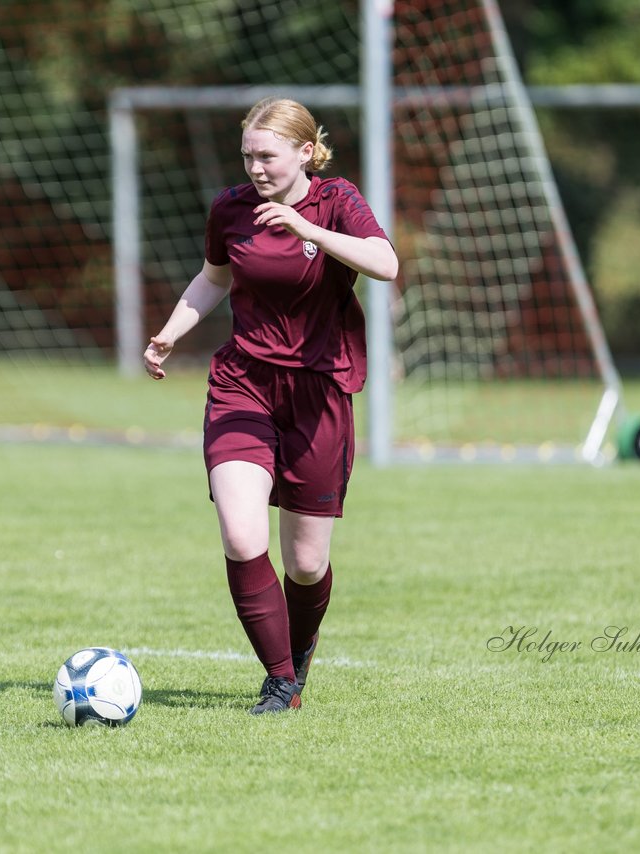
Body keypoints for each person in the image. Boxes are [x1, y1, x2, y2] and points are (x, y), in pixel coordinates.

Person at [144, 97, 398, 714]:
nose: (255, 168)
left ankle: (298, 652)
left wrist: (309, 230)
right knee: (240, 531)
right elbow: (214, 277)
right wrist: (172, 330)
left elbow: (386, 264)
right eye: (248, 156)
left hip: (318, 393)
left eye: (268, 155)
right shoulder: (231, 208)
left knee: (306, 565)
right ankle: (281, 683)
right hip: (244, 384)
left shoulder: (336, 201)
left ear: (305, 153)